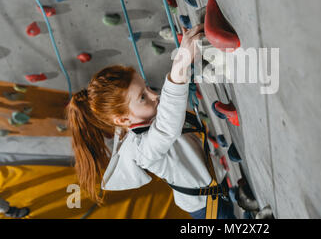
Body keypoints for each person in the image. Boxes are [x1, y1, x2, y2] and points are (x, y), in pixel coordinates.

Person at [67, 24, 235, 219]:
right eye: (142, 97)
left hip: (213, 189)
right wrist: (181, 63)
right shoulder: (141, 150)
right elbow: (166, 128)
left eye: (147, 88)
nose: (154, 96)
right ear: (123, 119)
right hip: (207, 208)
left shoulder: (137, 122)